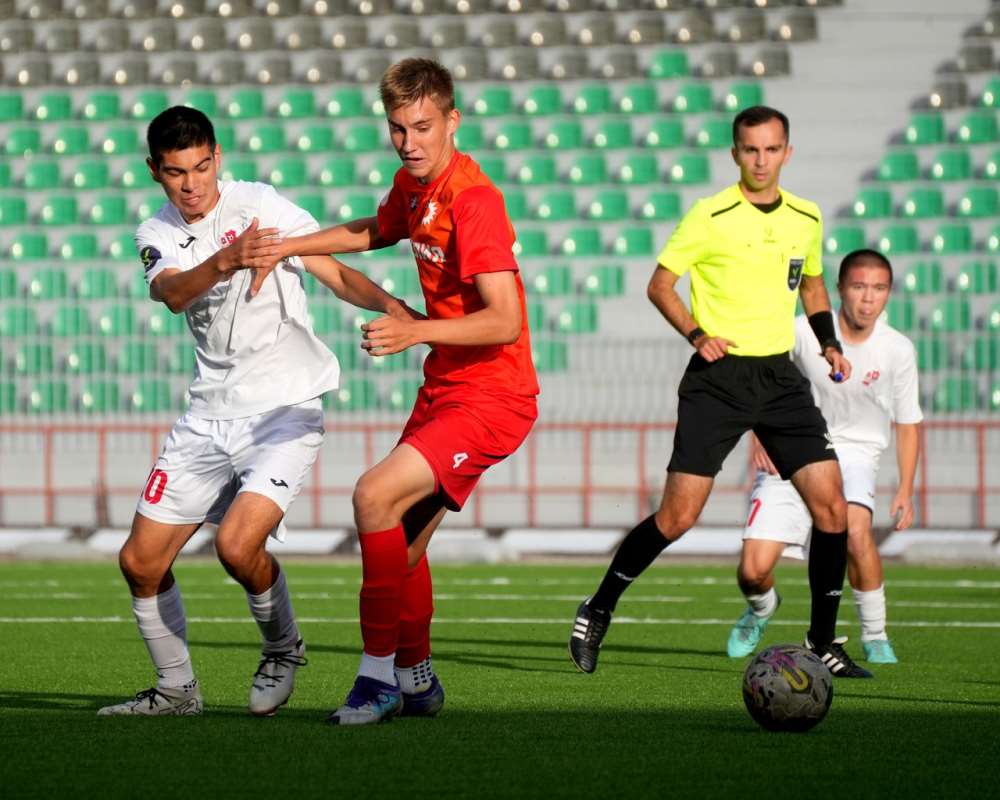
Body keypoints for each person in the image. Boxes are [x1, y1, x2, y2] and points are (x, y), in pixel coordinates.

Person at [249, 58, 539, 725]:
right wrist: (290, 246)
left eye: (423, 127)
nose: (409, 142)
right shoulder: (414, 186)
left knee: (373, 496)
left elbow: (505, 320)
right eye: (397, 128)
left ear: (452, 121)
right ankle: (416, 678)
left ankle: (375, 680)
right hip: (448, 386)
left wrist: (415, 330)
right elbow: (374, 230)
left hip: (493, 396)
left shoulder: (474, 201)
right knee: (401, 544)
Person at [98, 106, 406, 716]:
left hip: (284, 410)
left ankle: (283, 647)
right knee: (139, 562)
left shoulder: (260, 204)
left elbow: (333, 271)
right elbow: (172, 293)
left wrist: (399, 311)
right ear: (155, 171)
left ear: (218, 157)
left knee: (238, 547)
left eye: (202, 167)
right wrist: (228, 259)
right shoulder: (155, 232)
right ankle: (177, 690)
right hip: (208, 416)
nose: (192, 184)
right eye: (176, 173)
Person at [568, 105, 873, 679]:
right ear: (735, 153)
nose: (761, 160)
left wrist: (829, 343)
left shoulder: (806, 216)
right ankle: (598, 608)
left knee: (833, 509)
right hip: (719, 379)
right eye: (750, 149)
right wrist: (696, 334)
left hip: (780, 378)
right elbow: (660, 285)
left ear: (787, 152)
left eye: (771, 149)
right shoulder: (710, 215)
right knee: (678, 517)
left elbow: (811, 285)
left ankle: (822, 642)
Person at [728, 249, 922, 664]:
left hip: (855, 453)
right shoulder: (802, 331)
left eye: (879, 288)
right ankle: (762, 607)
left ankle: (875, 635)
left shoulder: (898, 350)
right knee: (752, 570)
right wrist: (759, 436)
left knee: (856, 532)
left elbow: (908, 422)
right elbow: (761, 380)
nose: (868, 298)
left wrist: (906, 488)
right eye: (859, 287)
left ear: (889, 293)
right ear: (839, 289)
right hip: (795, 443)